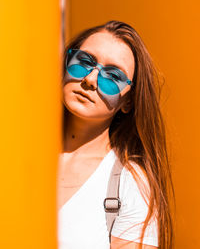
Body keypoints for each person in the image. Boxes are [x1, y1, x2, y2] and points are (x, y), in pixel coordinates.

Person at [57, 20, 175, 249]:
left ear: (128, 101)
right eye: (83, 62)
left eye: (112, 77)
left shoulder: (130, 183)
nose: (90, 80)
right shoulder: (16, 149)